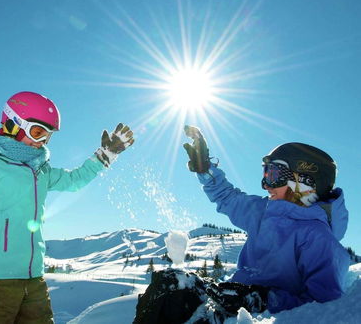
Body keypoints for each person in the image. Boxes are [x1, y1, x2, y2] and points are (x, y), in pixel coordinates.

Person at [0, 91, 134, 323]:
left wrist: (104, 156)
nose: (42, 142)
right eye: (37, 132)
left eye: (48, 137)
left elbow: (75, 180)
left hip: (34, 283)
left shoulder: (41, 171)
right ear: (13, 125)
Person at [134, 126, 349, 324]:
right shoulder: (264, 211)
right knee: (170, 285)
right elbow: (227, 197)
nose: (265, 184)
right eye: (266, 173)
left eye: (273, 175)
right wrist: (205, 169)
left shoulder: (318, 237)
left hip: (259, 315)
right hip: (230, 301)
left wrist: (262, 299)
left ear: (305, 182)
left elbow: (324, 302)